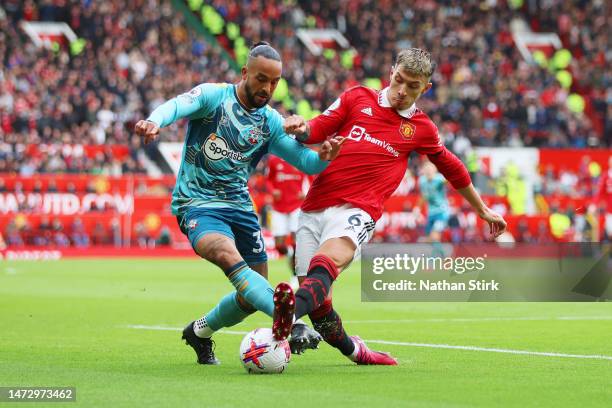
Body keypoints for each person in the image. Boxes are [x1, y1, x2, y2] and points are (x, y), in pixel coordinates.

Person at [273, 48, 507, 365]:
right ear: (391, 71)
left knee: (329, 260)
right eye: (399, 80)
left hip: (359, 209)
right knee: (318, 304)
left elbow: (451, 166)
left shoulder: (421, 128)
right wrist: (301, 128)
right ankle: (358, 352)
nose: (402, 91)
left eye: (413, 86)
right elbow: (320, 126)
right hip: (315, 205)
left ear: (425, 88)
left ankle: (279, 326)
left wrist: (481, 209)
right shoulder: (357, 97)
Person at [134, 42, 343, 365]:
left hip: (241, 208)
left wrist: (324, 158)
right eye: (261, 79)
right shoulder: (214, 96)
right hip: (197, 203)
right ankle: (292, 320)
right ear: (245, 73)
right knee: (224, 252)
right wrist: (154, 121)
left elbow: (306, 162)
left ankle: (199, 332)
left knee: (248, 297)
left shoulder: (270, 122)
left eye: (274, 82)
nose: (267, 88)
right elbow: (175, 106)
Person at [266, 155, 309, 282]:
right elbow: (268, 180)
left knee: (297, 240)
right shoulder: (274, 160)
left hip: (296, 205)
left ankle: (296, 275)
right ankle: (291, 254)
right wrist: (272, 190)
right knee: (279, 245)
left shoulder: (301, 158)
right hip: (278, 207)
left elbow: (311, 177)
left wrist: (306, 192)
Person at [418, 161, 449, 243]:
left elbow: (446, 181)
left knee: (434, 235)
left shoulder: (439, 178)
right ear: (423, 171)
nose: (428, 171)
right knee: (429, 237)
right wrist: (417, 208)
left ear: (435, 170)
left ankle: (435, 256)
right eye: (426, 169)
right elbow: (424, 196)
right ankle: (440, 253)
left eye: (430, 169)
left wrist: (449, 175)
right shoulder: (422, 181)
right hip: (431, 212)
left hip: (441, 211)